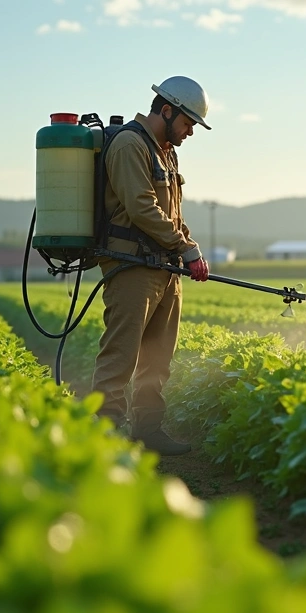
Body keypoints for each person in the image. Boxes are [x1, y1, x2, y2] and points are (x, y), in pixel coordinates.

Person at [91, 76, 212, 456]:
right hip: (132, 268)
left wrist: (188, 247)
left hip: (166, 268)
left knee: (157, 359)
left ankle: (148, 430)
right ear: (166, 110)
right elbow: (143, 208)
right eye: (188, 123)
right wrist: (184, 247)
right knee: (120, 356)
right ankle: (106, 436)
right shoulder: (130, 145)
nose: (190, 132)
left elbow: (173, 214)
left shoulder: (166, 152)